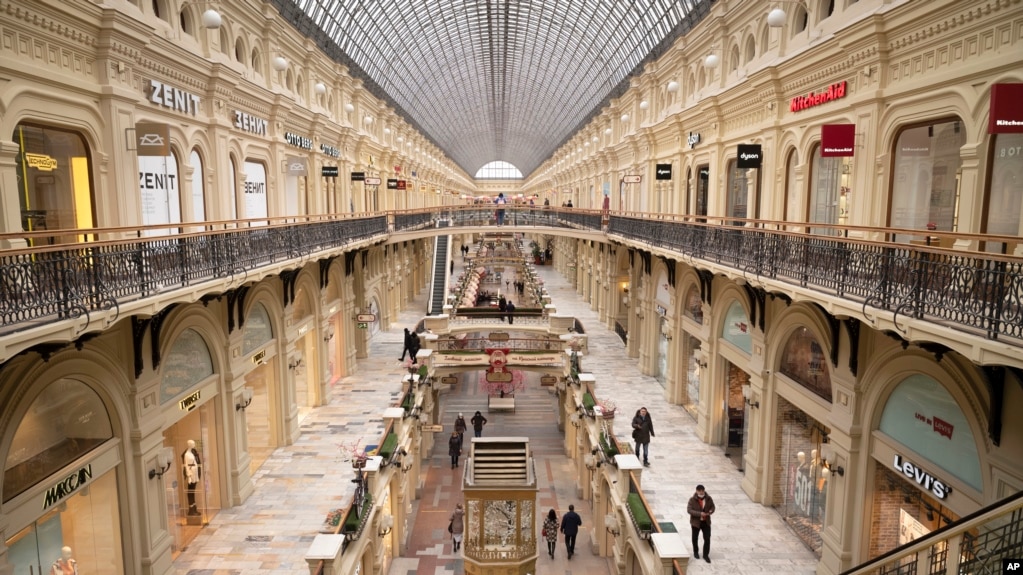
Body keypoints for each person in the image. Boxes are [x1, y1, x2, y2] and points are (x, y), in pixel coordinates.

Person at [687, 484, 716, 563]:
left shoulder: (709, 499)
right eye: (699, 491)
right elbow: (689, 510)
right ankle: (696, 552)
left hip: (706, 522)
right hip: (696, 523)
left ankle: (705, 555)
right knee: (695, 538)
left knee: (707, 538)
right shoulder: (692, 500)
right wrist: (700, 514)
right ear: (696, 491)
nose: (701, 492)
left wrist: (710, 511)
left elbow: (713, 507)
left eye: (702, 491)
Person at [182, 439, 202, 515]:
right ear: (189, 445)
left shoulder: (192, 453)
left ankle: (194, 507)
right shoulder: (186, 454)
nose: (194, 445)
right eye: (193, 444)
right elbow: (186, 465)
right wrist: (189, 475)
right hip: (191, 473)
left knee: (193, 490)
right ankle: (191, 508)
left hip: (195, 472)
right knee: (190, 490)